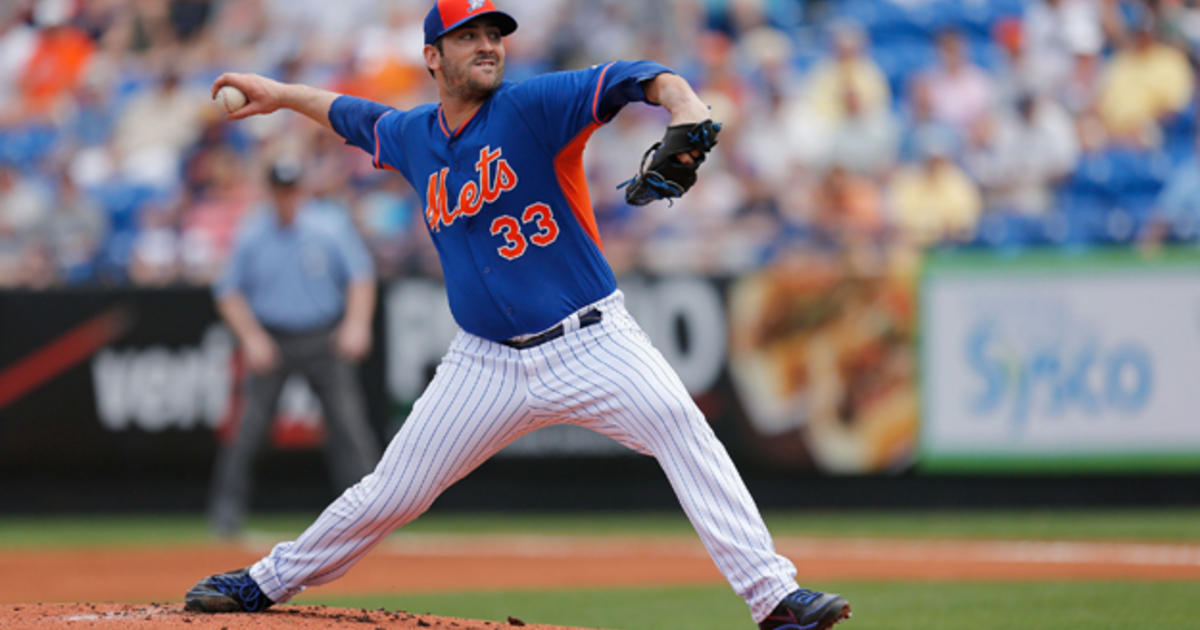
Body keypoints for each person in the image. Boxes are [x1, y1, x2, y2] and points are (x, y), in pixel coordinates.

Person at [184, 3, 851, 629]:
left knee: (680, 423)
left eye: (494, 34)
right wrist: (280, 92)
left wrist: (681, 101)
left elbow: (628, 78)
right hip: (484, 361)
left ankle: (774, 599)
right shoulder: (415, 136)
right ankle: (266, 582)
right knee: (392, 491)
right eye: (469, 35)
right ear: (432, 58)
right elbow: (352, 115)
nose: (487, 45)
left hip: (592, 339)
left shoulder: (531, 107)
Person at [206, 158, 382, 538]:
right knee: (249, 430)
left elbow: (361, 276)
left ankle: (372, 517)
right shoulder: (253, 233)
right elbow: (228, 292)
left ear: (301, 190)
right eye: (280, 191)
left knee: (349, 427)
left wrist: (356, 324)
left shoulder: (328, 225)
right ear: (270, 192)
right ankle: (226, 515)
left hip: (323, 335)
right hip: (273, 337)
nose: (286, 199)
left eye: (291, 190)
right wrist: (252, 337)